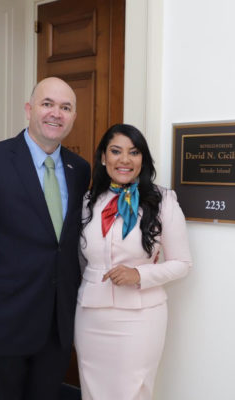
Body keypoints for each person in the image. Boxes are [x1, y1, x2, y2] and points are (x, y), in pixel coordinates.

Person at [0, 77, 91, 400]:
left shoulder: (79, 169)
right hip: (2, 330)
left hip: (56, 331)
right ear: (29, 109)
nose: (56, 113)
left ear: (73, 117)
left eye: (65, 107)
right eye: (47, 104)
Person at [74, 123, 192, 400]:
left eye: (134, 152)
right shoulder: (88, 201)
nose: (124, 159)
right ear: (103, 158)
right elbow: (79, 259)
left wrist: (139, 275)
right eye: (116, 151)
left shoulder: (163, 201)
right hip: (90, 315)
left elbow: (183, 263)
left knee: (132, 391)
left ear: (143, 159)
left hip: (141, 318)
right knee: (92, 389)